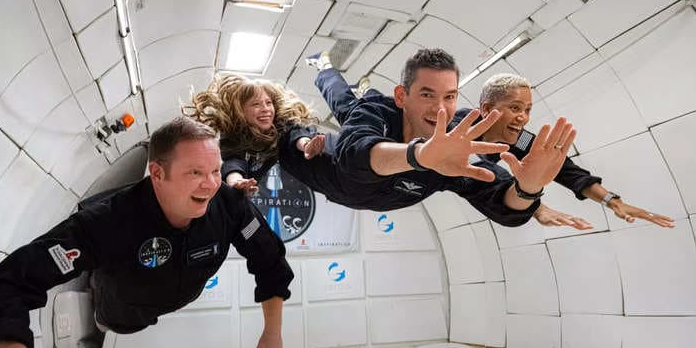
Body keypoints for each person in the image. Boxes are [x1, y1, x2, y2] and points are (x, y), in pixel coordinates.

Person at [0, 117, 293, 348]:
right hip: (121, 312)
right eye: (195, 172)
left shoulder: (229, 206)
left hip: (180, 291)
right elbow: (10, 282)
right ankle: (94, 286)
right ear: (157, 173)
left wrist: (273, 332)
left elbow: (270, 261)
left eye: (215, 170)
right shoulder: (107, 221)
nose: (210, 183)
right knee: (114, 318)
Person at [201, 48, 575, 228]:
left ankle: (329, 69)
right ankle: (325, 66)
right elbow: (354, 155)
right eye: (427, 95)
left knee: (346, 108)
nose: (439, 109)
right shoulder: (377, 112)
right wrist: (420, 156)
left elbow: (502, 202)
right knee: (349, 106)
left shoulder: (452, 154)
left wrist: (529, 193)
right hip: (326, 162)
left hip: (369, 188)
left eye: (449, 97)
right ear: (403, 97)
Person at [306, 52, 674, 229]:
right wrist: (534, 205)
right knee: (346, 103)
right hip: (378, 154)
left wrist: (611, 200)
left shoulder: (517, 137)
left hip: (402, 184)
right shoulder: (462, 125)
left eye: (527, 109)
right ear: (485, 109)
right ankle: (324, 68)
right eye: (514, 108)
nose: (522, 118)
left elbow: (562, 166)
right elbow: (484, 172)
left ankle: (353, 85)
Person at [184, 74, 326, 196]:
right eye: (256, 104)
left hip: (247, 192)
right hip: (221, 194)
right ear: (242, 111)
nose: (265, 109)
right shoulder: (233, 133)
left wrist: (306, 144)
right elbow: (233, 160)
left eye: (268, 103)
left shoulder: (279, 124)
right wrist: (236, 182)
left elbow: (295, 132)